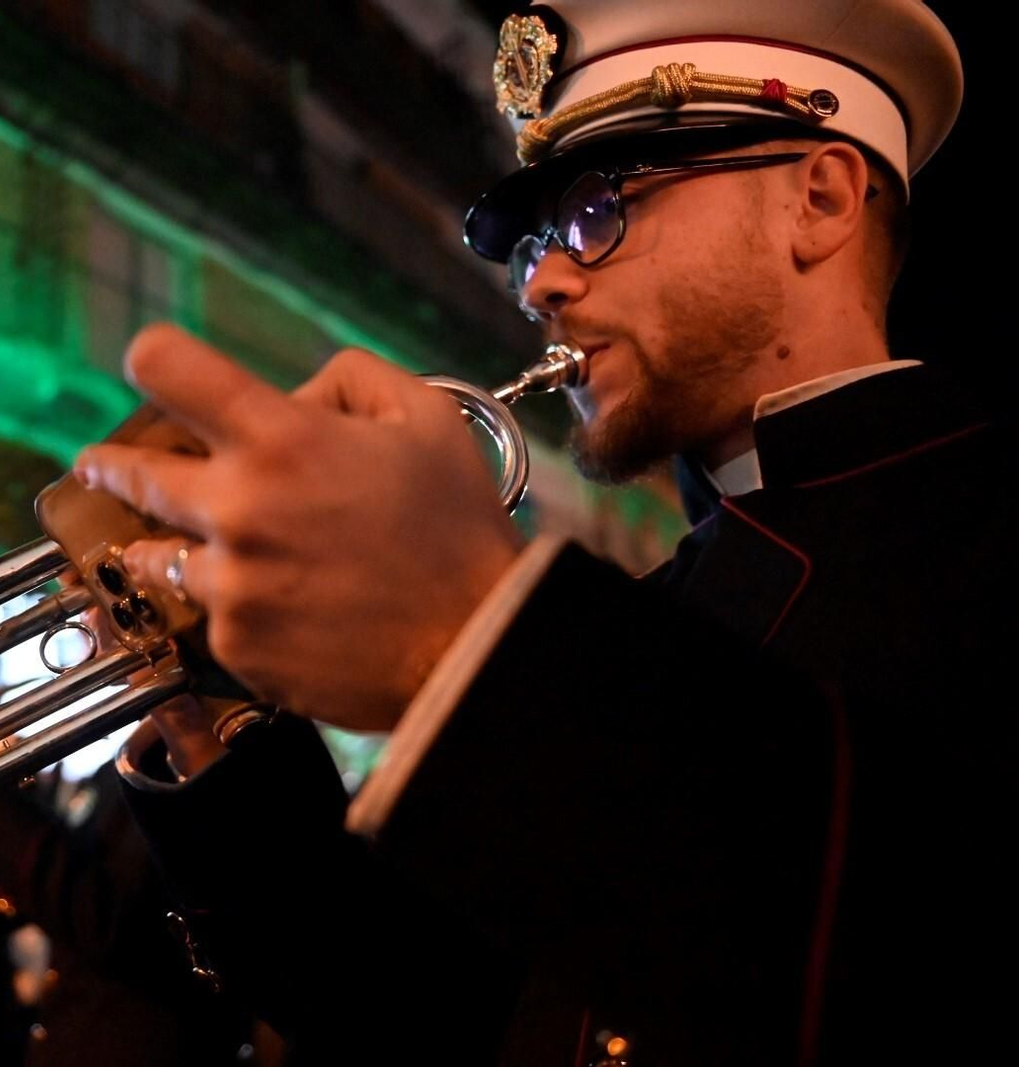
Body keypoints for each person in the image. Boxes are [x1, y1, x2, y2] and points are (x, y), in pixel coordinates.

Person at [66, 2, 1009, 1064]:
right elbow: (442, 1015)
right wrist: (211, 731)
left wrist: (463, 637)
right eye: (532, 246)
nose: (541, 284)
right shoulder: (669, 595)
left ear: (819, 199)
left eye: (598, 210)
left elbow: (918, 953)